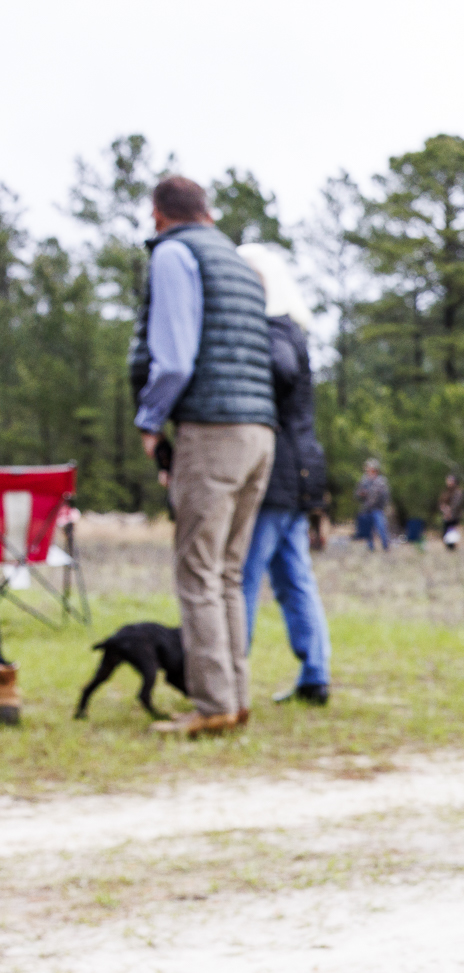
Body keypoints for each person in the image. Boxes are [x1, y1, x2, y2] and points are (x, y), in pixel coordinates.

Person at [130, 175, 279, 737]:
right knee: (228, 573)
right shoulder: (239, 263)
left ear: (158, 215)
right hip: (260, 430)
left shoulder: (174, 254)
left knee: (197, 571)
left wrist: (150, 419)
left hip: (213, 430)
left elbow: (173, 358)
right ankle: (234, 699)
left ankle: (213, 705)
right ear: (207, 213)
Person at [235, 243, 332, 707]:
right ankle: (315, 673)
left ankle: (228, 675)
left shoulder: (272, 329)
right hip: (298, 469)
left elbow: (280, 368)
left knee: (242, 576)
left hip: (275, 472)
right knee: (294, 576)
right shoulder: (291, 327)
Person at [355, 460, 391, 550]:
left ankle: (386, 546)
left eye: (370, 468)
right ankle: (370, 548)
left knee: (381, 528)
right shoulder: (364, 481)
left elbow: (385, 495)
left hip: (378, 509)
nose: (368, 470)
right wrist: (361, 494)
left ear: (375, 469)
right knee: (368, 530)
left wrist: (383, 505)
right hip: (366, 509)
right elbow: (357, 494)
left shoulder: (381, 481)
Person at [438, 475, 464, 550]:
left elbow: (457, 504)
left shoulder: (458, 492)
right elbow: (441, 502)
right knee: (445, 533)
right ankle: (449, 547)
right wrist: (444, 509)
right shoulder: (446, 492)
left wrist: (450, 511)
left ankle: (452, 548)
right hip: (446, 515)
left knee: (453, 533)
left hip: (454, 516)